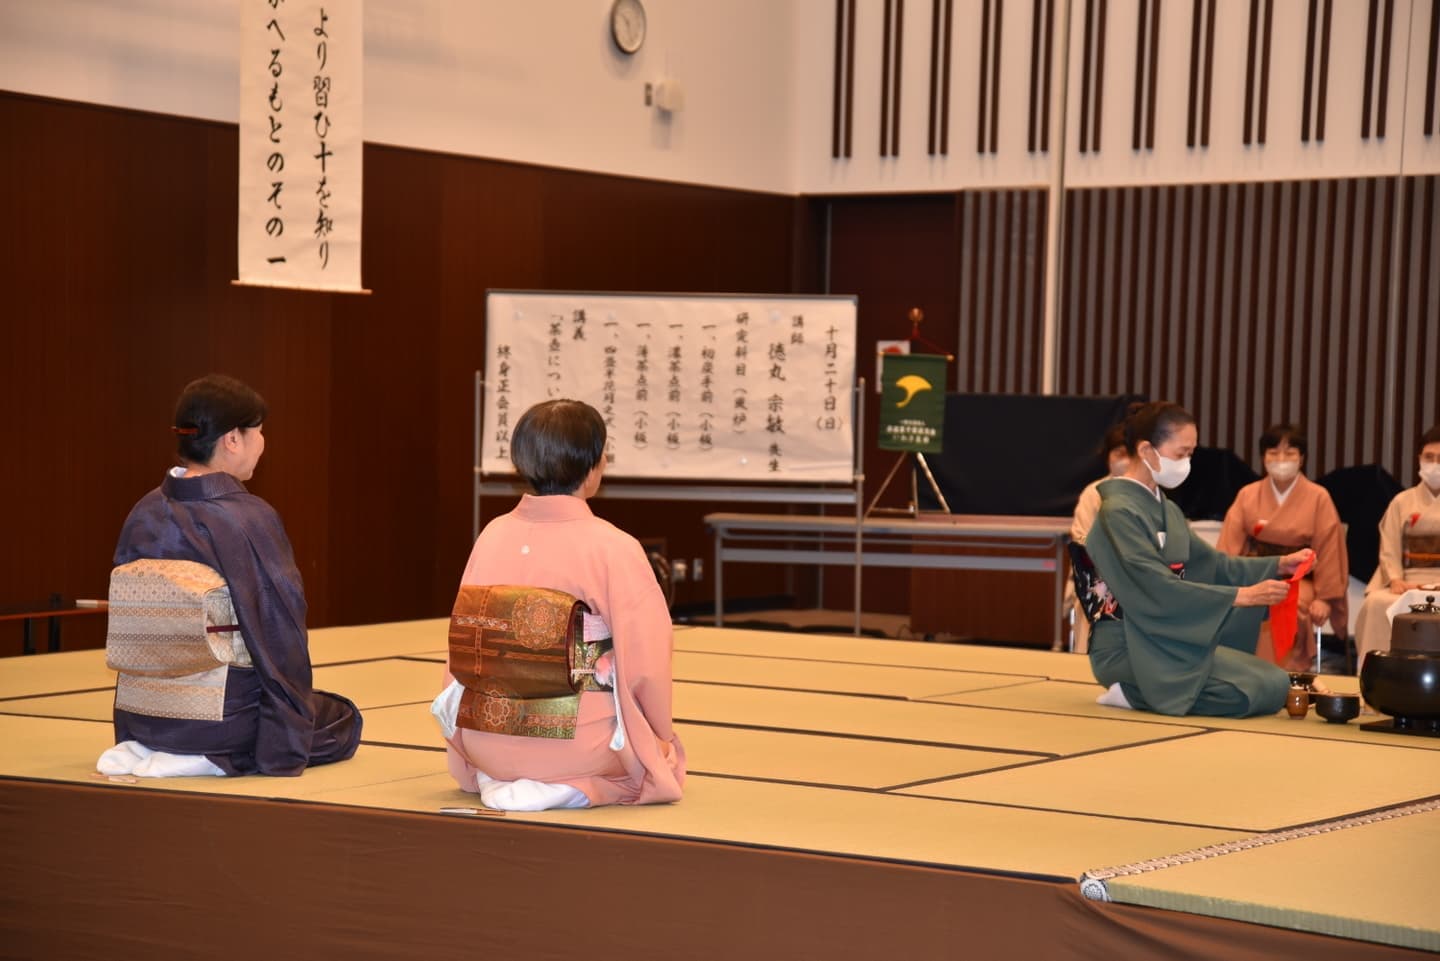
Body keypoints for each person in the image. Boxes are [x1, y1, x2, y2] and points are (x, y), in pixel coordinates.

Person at [97, 374, 363, 778]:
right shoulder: (247, 518)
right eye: (259, 431)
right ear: (233, 439)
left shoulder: (144, 511)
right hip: (218, 716)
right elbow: (279, 635)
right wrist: (283, 745)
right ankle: (213, 756)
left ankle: (154, 747)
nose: (263, 442)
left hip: (144, 714)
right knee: (340, 718)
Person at [434, 399, 685, 810]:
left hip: (485, 737)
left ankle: (508, 776)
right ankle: (571, 784)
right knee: (661, 759)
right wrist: (657, 734)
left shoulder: (491, 535)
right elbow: (646, 666)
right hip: (578, 745)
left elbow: (462, 650)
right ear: (594, 464)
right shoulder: (614, 547)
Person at [1082, 401, 1311, 718]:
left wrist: (1278, 565)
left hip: (1167, 635)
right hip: (1128, 645)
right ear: (1147, 451)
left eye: (1190, 454)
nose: (1187, 463)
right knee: (1247, 694)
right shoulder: (1117, 512)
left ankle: (1146, 691)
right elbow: (1156, 587)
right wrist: (1242, 596)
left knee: (1274, 683)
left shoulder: (1167, 510)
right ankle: (1132, 692)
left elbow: (1215, 565)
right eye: (1180, 454)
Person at [1216, 424, 1350, 671]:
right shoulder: (1248, 495)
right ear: (1263, 458)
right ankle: (1240, 669)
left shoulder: (1318, 497)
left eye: (1289, 453)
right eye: (1273, 453)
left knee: (1286, 605)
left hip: (1299, 580)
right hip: (1256, 573)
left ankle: (1285, 671)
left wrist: (1325, 599)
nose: (1281, 459)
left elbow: (1329, 550)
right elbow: (1229, 547)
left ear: (1302, 458)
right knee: (1246, 602)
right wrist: (1226, 583)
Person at [1351, 424, 1440, 671]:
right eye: (1429, 457)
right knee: (1376, 604)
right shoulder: (1402, 501)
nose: (1434, 464)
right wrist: (1394, 578)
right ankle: (1376, 676)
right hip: (1407, 581)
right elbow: (1389, 546)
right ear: (1419, 459)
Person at [1066, 424, 1129, 653]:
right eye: (1118, 453)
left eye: (1129, 454)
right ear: (1107, 456)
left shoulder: (1152, 493)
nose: (1124, 460)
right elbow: (1081, 538)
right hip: (1098, 580)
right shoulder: (1094, 493)